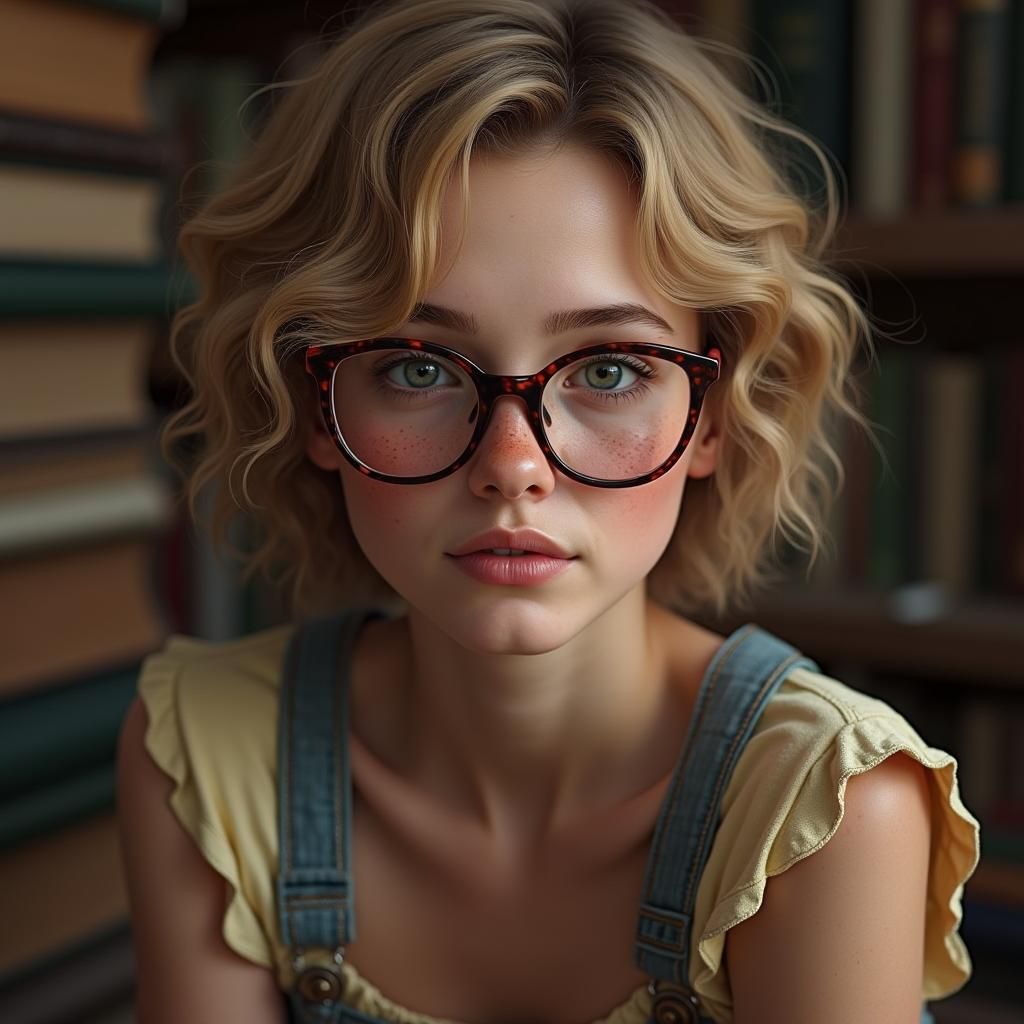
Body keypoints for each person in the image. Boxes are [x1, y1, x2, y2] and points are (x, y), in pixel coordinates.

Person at [115, 1, 981, 1022]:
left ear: (712, 415)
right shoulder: (206, 755)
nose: (511, 466)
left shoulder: (828, 804)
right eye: (417, 365)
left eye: (609, 368)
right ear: (316, 403)